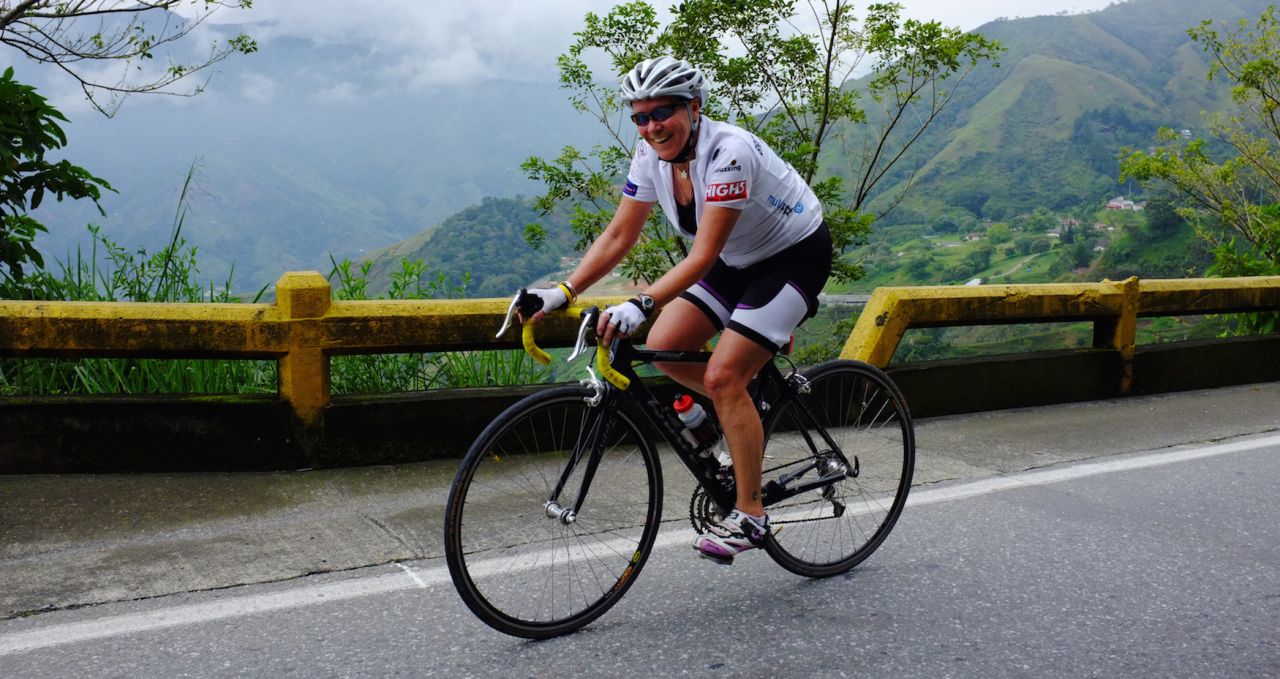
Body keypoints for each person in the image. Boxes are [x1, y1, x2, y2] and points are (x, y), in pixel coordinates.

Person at [522, 56, 832, 565]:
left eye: (662, 112)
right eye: (639, 117)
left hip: (793, 255)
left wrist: (640, 302)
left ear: (694, 106)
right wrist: (564, 291)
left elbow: (702, 255)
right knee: (667, 348)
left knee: (723, 377)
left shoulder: (728, 153)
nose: (650, 127)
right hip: (736, 259)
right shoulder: (650, 156)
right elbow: (622, 233)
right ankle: (738, 411)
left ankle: (752, 514)